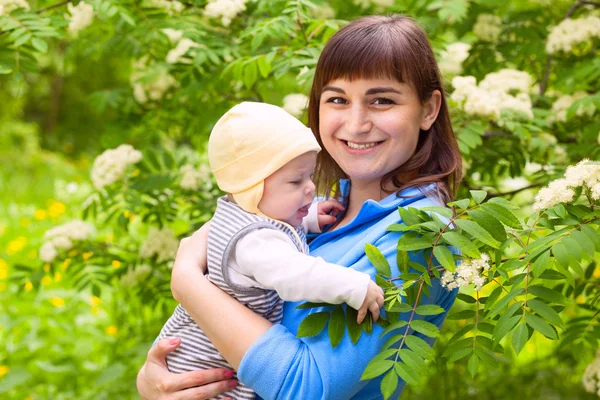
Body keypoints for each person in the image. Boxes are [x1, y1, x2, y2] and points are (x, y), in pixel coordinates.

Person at [137, 14, 462, 400]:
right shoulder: (311, 210)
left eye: (382, 100)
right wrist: (155, 382)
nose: (356, 123)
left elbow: (307, 388)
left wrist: (187, 283)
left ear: (428, 110)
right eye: (338, 99)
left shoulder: (422, 233)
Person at [155, 101, 384, 400]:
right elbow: (295, 274)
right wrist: (352, 286)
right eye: (295, 181)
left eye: (310, 176)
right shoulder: (255, 242)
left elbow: (277, 224)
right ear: (251, 186)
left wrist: (310, 216)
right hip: (204, 367)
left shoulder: (244, 213)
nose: (311, 188)